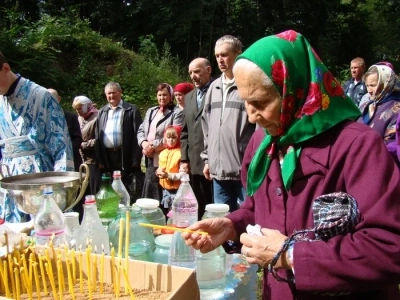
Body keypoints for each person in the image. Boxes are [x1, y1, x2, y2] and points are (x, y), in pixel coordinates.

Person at [183, 30, 400, 299]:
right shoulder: (264, 141)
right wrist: (231, 226)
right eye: (245, 102)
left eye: (261, 102)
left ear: (295, 91)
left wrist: (292, 255)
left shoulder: (357, 146)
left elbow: (389, 248)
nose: (251, 117)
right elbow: (257, 209)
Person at [0, 51, 74, 222]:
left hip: (40, 184)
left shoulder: (42, 97)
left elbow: (62, 150)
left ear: (5, 68)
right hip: (10, 187)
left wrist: (60, 197)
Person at [201, 35, 255, 212]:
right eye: (217, 56)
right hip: (218, 172)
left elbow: (260, 127)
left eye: (224, 55)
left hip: (244, 171)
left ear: (238, 54)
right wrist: (208, 160)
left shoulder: (249, 85)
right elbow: (206, 125)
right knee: (221, 221)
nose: (220, 60)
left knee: (247, 221)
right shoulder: (213, 88)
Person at [96, 82, 143, 201]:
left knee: (127, 186)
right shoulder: (102, 111)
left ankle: (127, 211)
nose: (111, 96)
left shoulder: (131, 110)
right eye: (108, 93)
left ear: (120, 92)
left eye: (114, 92)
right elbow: (97, 136)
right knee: (110, 186)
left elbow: (139, 133)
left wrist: (135, 159)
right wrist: (100, 158)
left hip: (124, 155)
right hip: (108, 156)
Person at [137, 83, 184, 202]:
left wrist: (153, 146)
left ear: (171, 96)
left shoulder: (176, 112)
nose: (162, 97)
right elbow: (141, 129)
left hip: (165, 158)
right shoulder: (151, 111)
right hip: (148, 156)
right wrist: (144, 143)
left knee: (162, 190)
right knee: (150, 188)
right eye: (159, 95)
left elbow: (174, 135)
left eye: (165, 95)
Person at [180, 58, 214, 219]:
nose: (193, 76)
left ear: (208, 70)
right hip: (194, 162)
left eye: (197, 71)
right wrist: (184, 159)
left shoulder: (217, 91)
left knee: (213, 204)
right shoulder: (189, 97)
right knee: (197, 203)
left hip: (213, 160)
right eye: (191, 73)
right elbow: (185, 131)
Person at [357, 64, 400, 143]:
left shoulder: (396, 109)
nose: (369, 90)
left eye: (373, 85)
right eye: (367, 86)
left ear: (386, 83)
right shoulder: (366, 106)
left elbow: (392, 144)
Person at [72, 96, 102, 194]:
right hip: (82, 160)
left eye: (79, 108)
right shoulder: (79, 118)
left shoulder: (97, 117)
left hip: (94, 161)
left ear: (86, 106)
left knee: (94, 190)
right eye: (76, 109)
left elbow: (99, 139)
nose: (77, 111)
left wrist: (82, 145)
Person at [48, 88, 83, 171]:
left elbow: (77, 139)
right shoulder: (42, 119)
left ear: (59, 99)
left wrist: (65, 153)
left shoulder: (71, 117)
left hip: (71, 160)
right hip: (50, 162)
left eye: (53, 97)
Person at [156, 125, 183, 210]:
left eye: (174, 137)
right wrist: (158, 172)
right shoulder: (162, 153)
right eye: (168, 137)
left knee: (177, 213)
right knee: (168, 212)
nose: (171, 140)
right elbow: (159, 169)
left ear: (178, 138)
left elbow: (183, 175)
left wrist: (168, 175)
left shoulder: (181, 153)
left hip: (177, 190)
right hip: (165, 190)